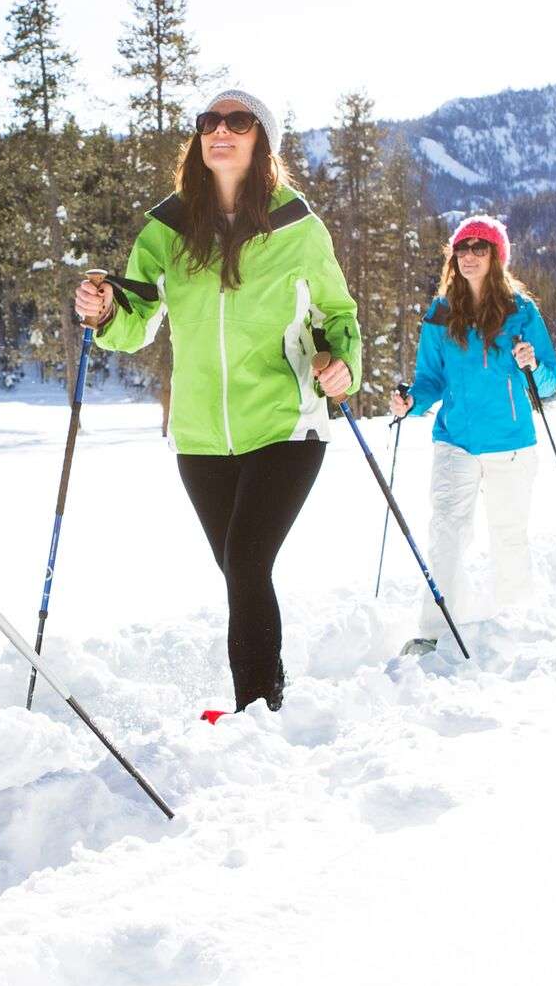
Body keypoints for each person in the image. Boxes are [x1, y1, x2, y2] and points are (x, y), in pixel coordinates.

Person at [75, 89, 360, 715]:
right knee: (239, 571)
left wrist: (342, 367)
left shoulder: (298, 228)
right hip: (201, 435)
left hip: (287, 422)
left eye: (238, 121)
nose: (220, 130)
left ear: (263, 141)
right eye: (209, 121)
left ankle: (259, 709)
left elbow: (337, 313)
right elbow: (137, 316)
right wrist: (104, 312)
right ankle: (267, 695)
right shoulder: (170, 228)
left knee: (248, 559)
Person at [389, 215, 556, 653]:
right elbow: (429, 379)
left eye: (479, 248)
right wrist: (413, 401)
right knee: (446, 530)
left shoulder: (521, 311)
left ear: (496, 256)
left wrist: (532, 364)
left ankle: (516, 621)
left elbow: (549, 383)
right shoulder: (441, 312)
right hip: (456, 439)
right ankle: (434, 628)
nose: (468, 256)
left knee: (508, 533)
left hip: (511, 442)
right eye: (462, 249)